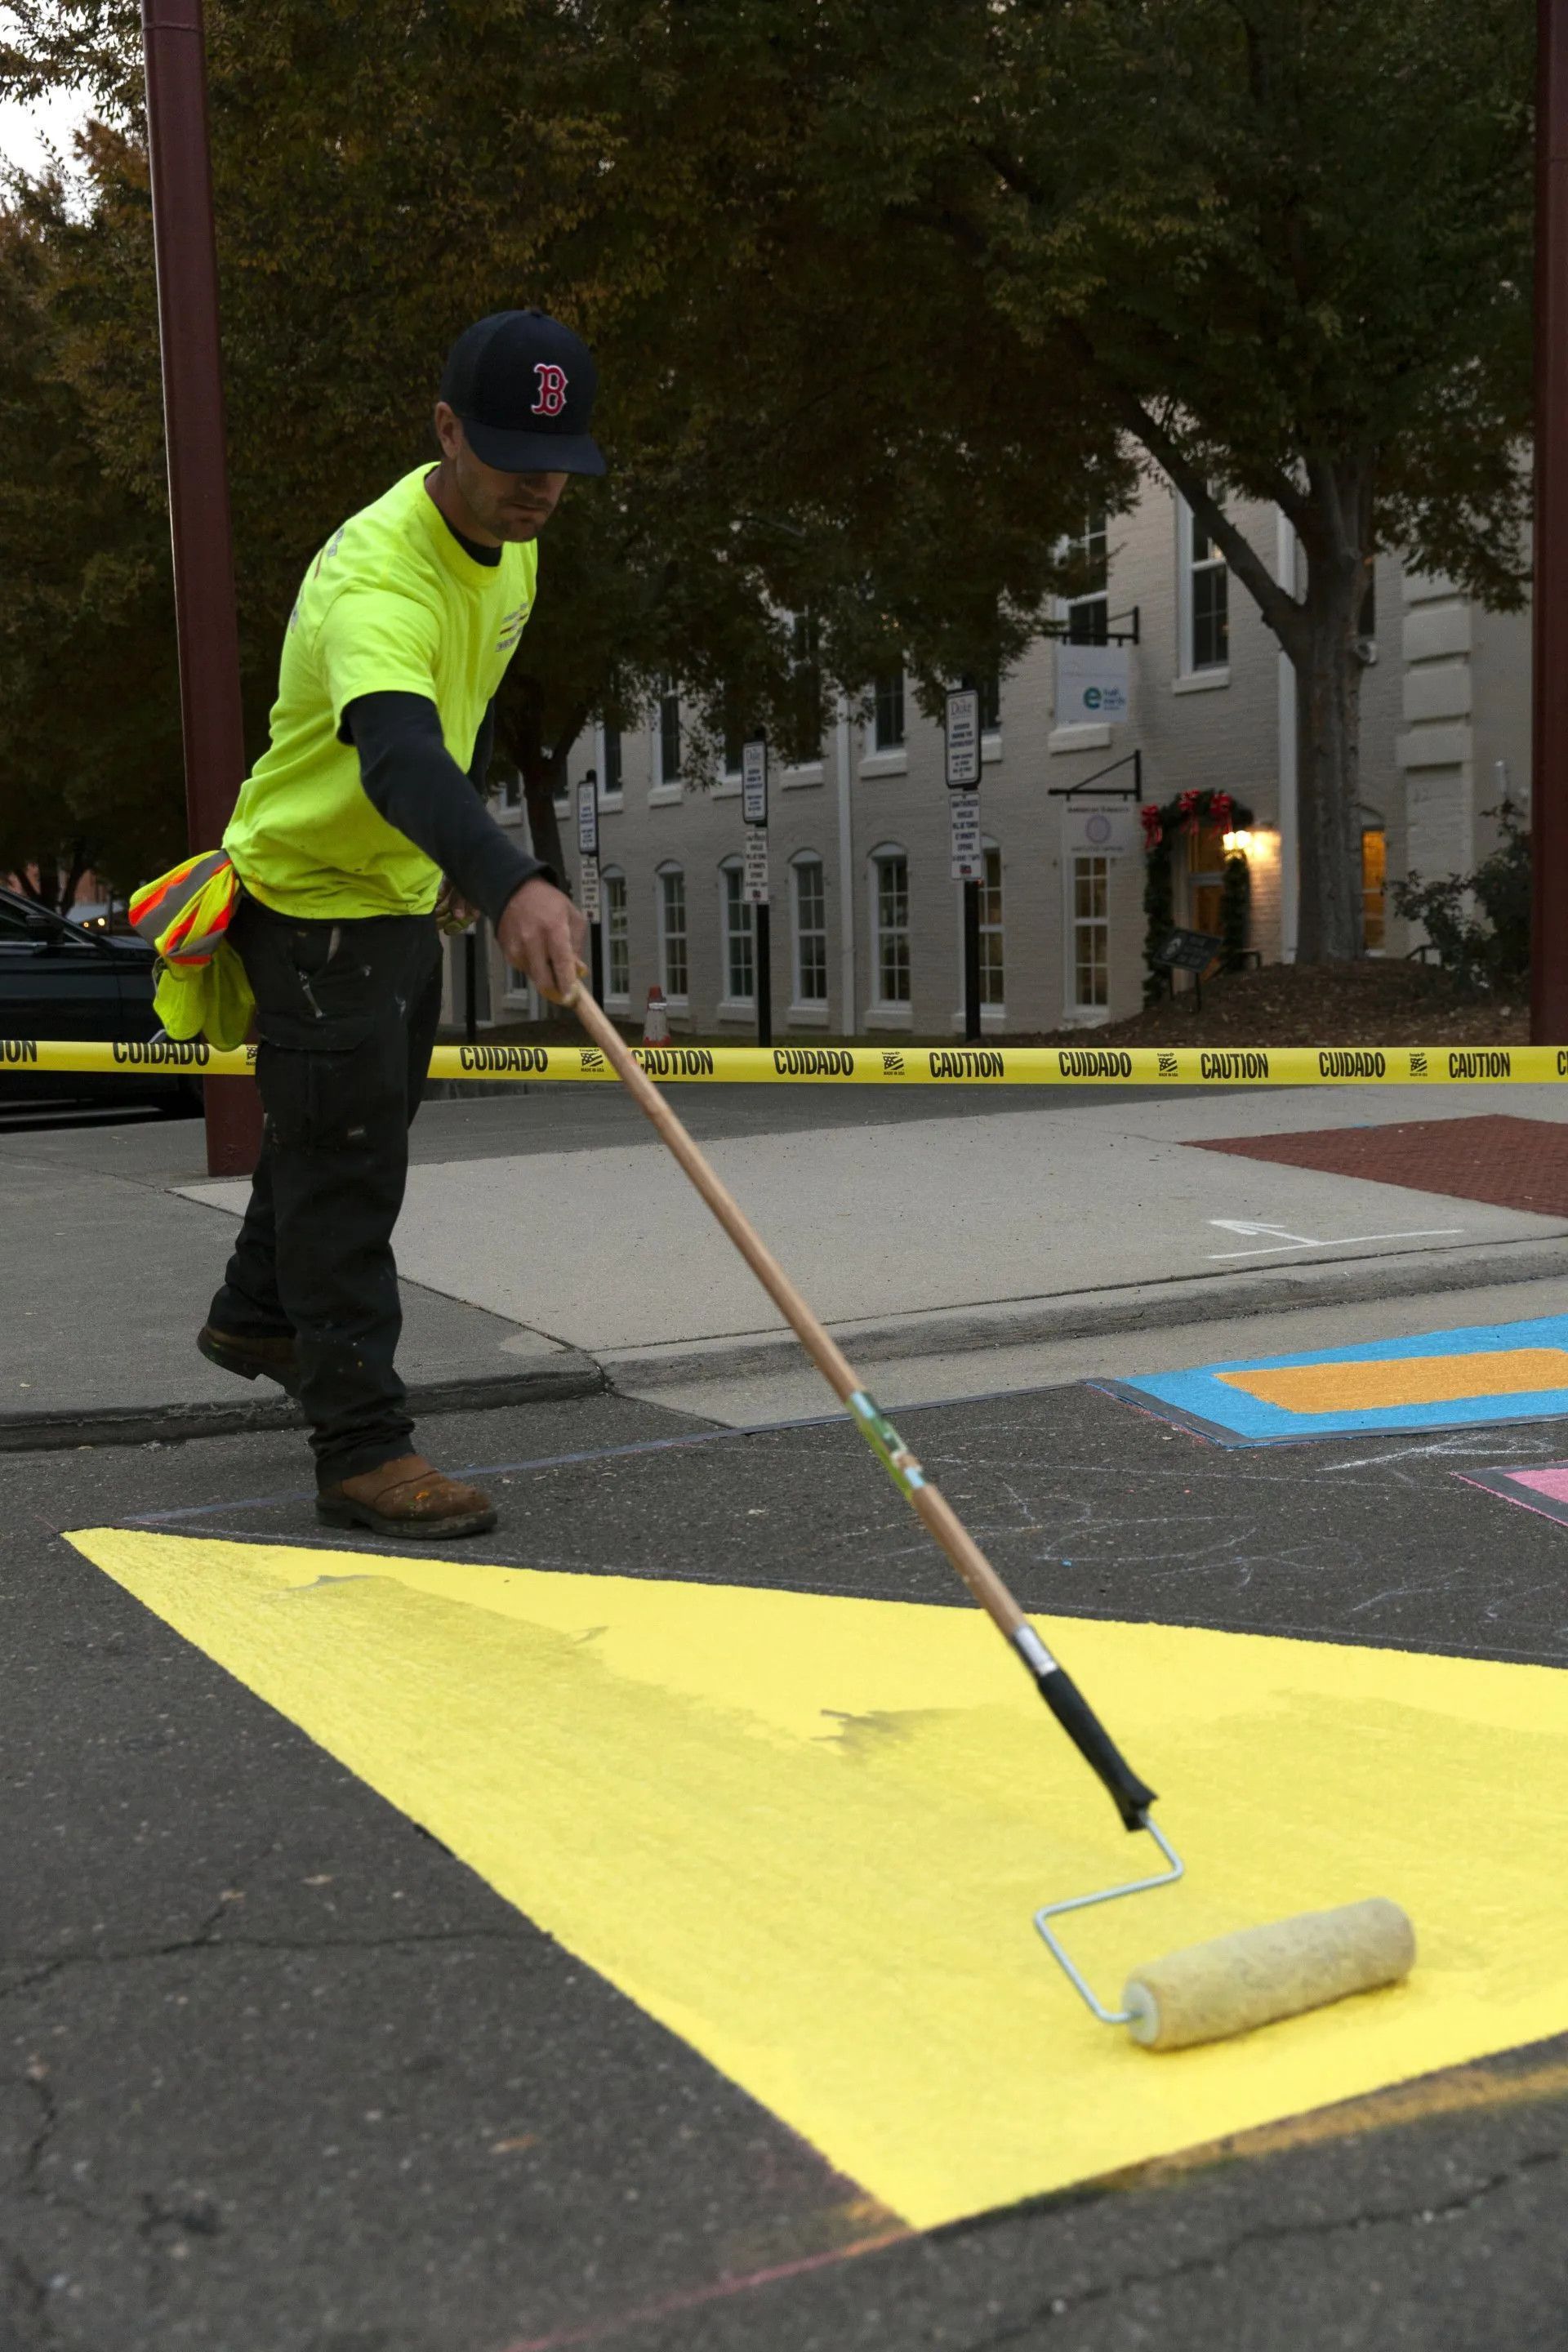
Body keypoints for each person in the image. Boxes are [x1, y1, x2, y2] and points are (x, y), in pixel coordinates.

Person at [196, 309, 596, 1540]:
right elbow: (398, 748)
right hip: (318, 901)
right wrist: (509, 868)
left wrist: (451, 864)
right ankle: (361, 1449)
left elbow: (451, 723)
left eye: (561, 470)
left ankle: (260, 1313)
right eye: (511, 462)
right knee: (349, 1167)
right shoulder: (376, 573)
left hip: (396, 894)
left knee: (349, 1126)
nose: (538, 492)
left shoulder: (515, 537)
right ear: (442, 433)